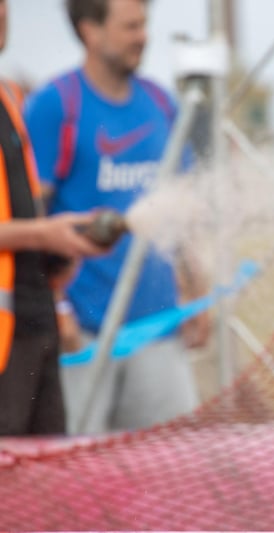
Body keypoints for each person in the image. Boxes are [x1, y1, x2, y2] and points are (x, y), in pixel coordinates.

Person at [22, 0, 209, 435]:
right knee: (79, 479)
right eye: (130, 26)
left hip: (158, 331)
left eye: (144, 24)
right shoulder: (54, 106)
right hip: (83, 337)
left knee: (174, 472)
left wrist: (197, 291)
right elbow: (32, 216)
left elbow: (179, 211)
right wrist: (59, 311)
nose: (143, 36)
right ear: (91, 30)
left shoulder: (161, 103)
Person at [0, 0, 109, 435]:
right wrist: (47, 234)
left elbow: (22, 206)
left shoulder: (10, 96)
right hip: (7, 339)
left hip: (32, 322)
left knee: (41, 482)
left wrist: (56, 254)